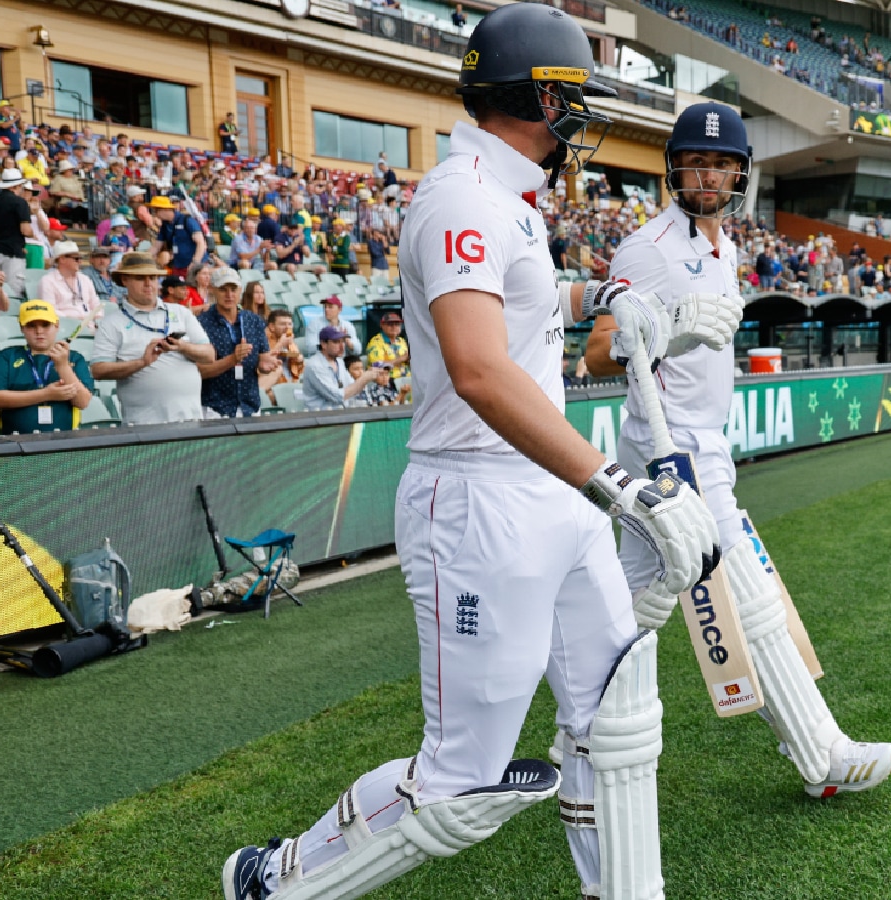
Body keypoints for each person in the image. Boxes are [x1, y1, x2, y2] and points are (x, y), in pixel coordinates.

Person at [219, 6, 720, 898]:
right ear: (534, 96)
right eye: (571, 94)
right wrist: (619, 486)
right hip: (482, 502)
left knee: (614, 722)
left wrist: (600, 296)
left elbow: (518, 301)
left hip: (550, 491)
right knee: (463, 780)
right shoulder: (462, 198)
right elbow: (480, 370)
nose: (580, 113)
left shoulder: (507, 198)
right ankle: (275, 881)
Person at [585, 102, 891, 798]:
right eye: (696, 162)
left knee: (627, 601)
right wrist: (671, 325)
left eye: (721, 164)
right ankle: (823, 755)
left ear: (739, 174)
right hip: (671, 448)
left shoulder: (724, 246)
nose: (708, 175)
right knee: (747, 592)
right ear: (675, 169)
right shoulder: (647, 249)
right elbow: (598, 352)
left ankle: (582, 726)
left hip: (699, 441)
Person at [90, 252, 216, 425]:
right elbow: (98, 370)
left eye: (153, 277)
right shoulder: (111, 323)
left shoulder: (181, 312)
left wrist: (182, 346)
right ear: (125, 280)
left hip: (190, 419)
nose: (148, 283)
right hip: (144, 425)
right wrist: (141, 363)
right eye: (140, 278)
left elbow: (209, 355)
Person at [0, 300, 95, 433]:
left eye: (45, 325)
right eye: (31, 326)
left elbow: (82, 402)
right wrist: (46, 394)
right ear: (22, 328)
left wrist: (63, 366)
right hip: (14, 440)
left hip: (64, 440)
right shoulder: (7, 356)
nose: (39, 331)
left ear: (56, 325)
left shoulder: (75, 358)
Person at [197, 268, 274, 418]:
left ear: (240, 290)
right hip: (215, 409)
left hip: (250, 406)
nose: (229, 295)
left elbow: (263, 358)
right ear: (212, 289)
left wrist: (265, 366)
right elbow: (199, 372)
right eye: (223, 289)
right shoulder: (201, 323)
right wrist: (232, 359)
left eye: (233, 289)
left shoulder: (253, 320)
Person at [0, 169, 34, 300]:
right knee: (12, 292)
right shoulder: (20, 202)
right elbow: (25, 230)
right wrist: (33, 234)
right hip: (11, 252)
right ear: (16, 186)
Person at [297, 324, 374, 410]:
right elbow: (336, 397)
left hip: (341, 413)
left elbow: (352, 388)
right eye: (336, 342)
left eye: (343, 341)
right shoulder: (314, 365)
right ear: (323, 344)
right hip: (320, 416)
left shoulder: (339, 361)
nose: (342, 346)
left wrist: (370, 376)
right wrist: (363, 379)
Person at [39, 240, 104, 326]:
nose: (80, 262)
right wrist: (73, 319)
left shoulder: (85, 279)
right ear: (62, 259)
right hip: (64, 326)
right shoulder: (48, 281)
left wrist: (97, 319)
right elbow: (49, 309)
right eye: (76, 259)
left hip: (90, 325)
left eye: (80, 258)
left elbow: (96, 304)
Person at [150, 195, 207, 278]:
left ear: (165, 209)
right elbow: (156, 247)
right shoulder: (165, 226)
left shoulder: (187, 220)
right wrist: (143, 258)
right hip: (178, 265)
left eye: (156, 210)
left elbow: (200, 243)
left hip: (195, 266)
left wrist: (195, 262)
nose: (155, 214)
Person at [363, 311, 408, 378]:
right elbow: (377, 366)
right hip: (387, 379)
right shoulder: (376, 342)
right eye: (390, 324)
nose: (394, 327)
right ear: (382, 325)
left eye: (397, 324)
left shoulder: (401, 341)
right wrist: (401, 359)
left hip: (407, 377)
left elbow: (406, 359)